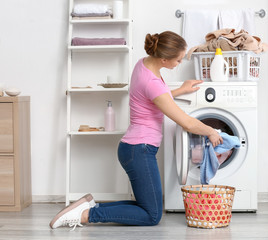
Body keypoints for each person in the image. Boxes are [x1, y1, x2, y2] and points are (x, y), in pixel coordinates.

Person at [49, 31, 223, 229]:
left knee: (148, 207)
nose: (179, 64)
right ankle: (87, 215)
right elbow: (187, 123)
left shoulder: (143, 65)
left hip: (134, 148)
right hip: (139, 150)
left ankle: (89, 206)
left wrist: (180, 90)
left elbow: (155, 99)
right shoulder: (152, 83)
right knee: (152, 215)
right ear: (164, 59)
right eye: (178, 60)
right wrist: (211, 130)